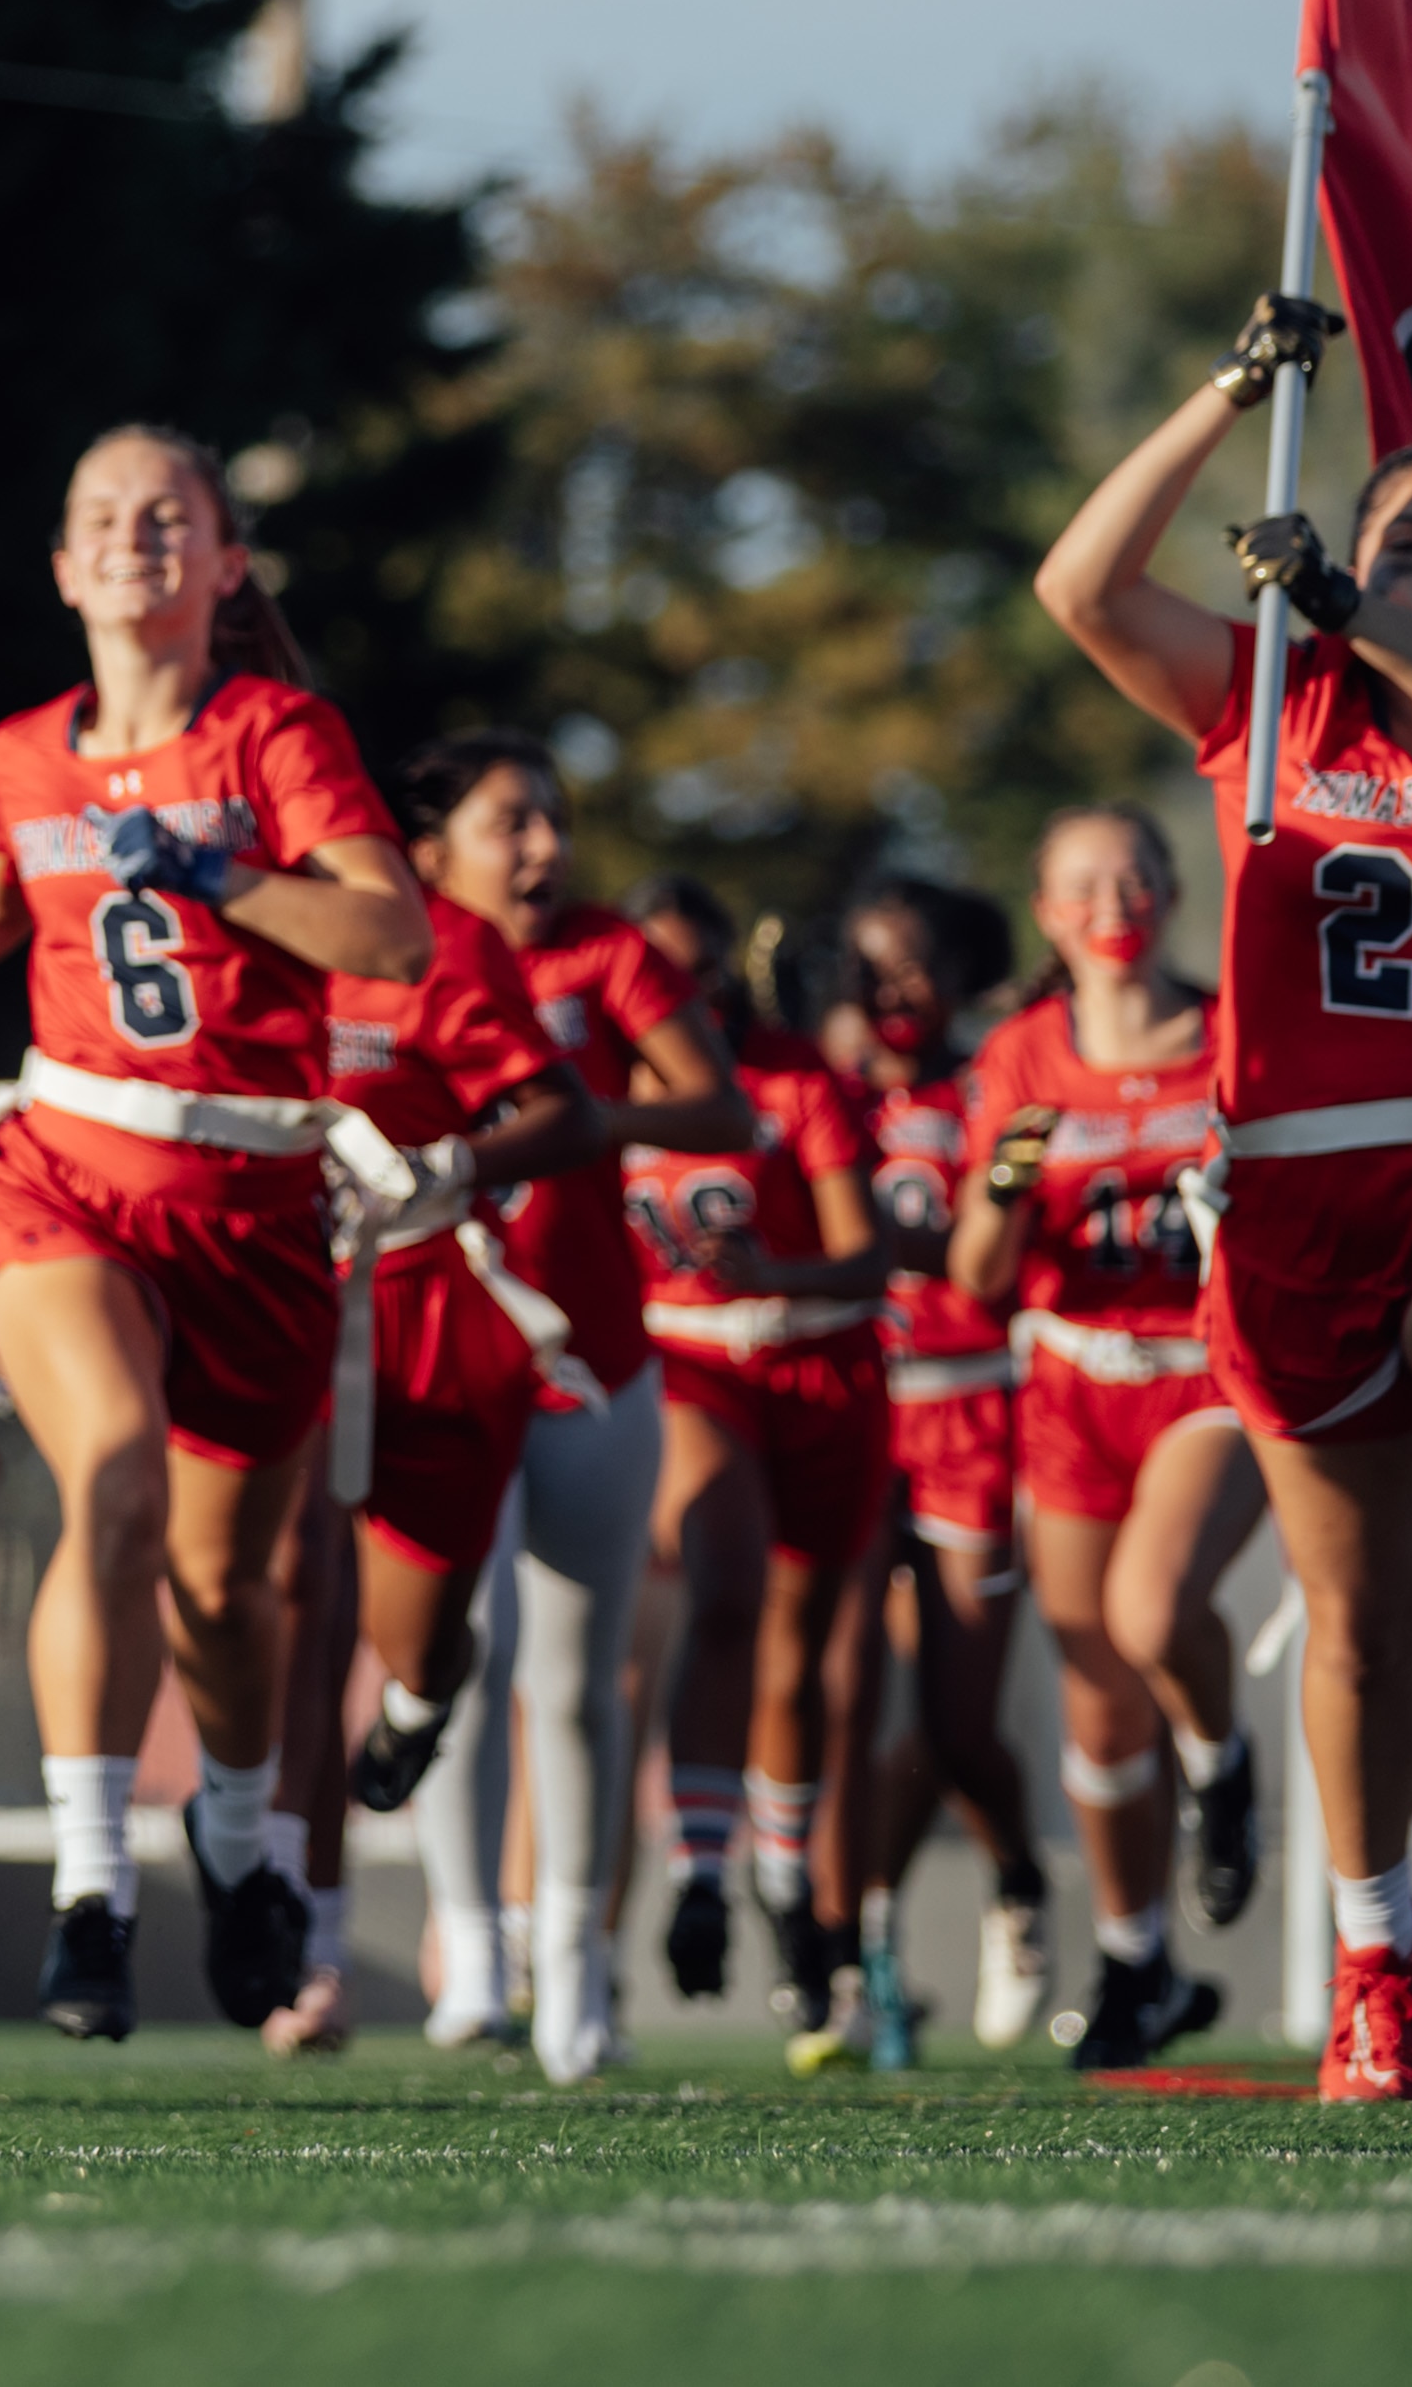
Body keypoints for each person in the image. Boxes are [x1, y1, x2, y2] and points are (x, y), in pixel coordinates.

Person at [1036, 295, 1412, 2104]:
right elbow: (1077, 586)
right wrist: (1221, 394)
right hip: (1301, 1208)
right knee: (1363, 1618)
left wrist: (1347, 597)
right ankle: (1371, 1949)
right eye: (1409, 544)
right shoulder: (1266, 700)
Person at [0, 427, 428, 2040]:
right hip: (64, 1176)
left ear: (222, 561)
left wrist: (229, 875)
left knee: (228, 1592)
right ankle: (90, 1888)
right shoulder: (17, 752)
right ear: (62, 565)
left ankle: (230, 1847)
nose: (133, 538)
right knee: (112, 1469)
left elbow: (389, 931)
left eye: (169, 515)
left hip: (253, 1203)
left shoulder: (274, 729)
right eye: (100, 517)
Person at [395, 733, 752, 2061]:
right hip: (439, 1342)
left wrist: (571, 1115)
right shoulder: (394, 949)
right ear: (431, 853)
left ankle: (576, 1958)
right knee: (451, 1664)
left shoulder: (605, 952)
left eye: (551, 818)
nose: (542, 846)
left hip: (594, 1348)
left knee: (579, 1678)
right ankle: (470, 1953)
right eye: (509, 823)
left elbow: (722, 1113)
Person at [260, 867, 599, 2066]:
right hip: (276, 1288)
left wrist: (449, 1161)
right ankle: (307, 1952)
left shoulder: (441, 942)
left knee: (425, 1644)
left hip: (427, 1296)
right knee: (296, 1620)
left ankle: (416, 1702)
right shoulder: (207, 913)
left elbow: (562, 1111)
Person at [954, 802, 1254, 2074]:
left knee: (1151, 1607)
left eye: (1133, 877)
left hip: (1207, 1377)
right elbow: (976, 1273)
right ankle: (1135, 1961)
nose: (1113, 903)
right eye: (1084, 883)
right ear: (1046, 911)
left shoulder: (1239, 1031)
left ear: (1171, 893)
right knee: (1093, 1706)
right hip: (1076, 1379)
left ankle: (1221, 1758)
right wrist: (1007, 1190)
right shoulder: (1023, 1052)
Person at [616, 877, 893, 2068]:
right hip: (688, 1368)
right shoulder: (595, 1086)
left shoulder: (789, 1079)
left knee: (803, 1650)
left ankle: (786, 1886)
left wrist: (775, 1268)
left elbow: (867, 1260)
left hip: (818, 1373)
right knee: (722, 1587)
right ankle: (698, 1871)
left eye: (698, 977)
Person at [830, 873, 1052, 2063]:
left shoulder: (991, 1083)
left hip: (971, 1411)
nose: (887, 992)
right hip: (852, 1411)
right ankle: (856, 1953)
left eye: (909, 964)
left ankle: (1017, 1888)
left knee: (957, 1722)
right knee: (846, 1698)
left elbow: (985, 1264)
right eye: (866, 967)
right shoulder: (817, 1089)